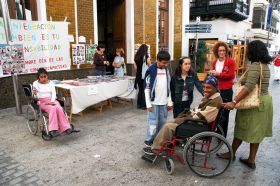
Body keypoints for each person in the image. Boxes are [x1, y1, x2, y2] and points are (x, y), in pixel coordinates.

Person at [218, 40, 273, 170]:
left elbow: (249, 87)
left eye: (249, 49)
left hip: (254, 103)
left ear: (253, 51)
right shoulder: (265, 65)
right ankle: (251, 159)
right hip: (264, 102)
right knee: (257, 132)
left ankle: (231, 154)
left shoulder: (255, 65)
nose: (247, 51)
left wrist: (234, 101)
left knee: (241, 127)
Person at [143, 76, 222, 154]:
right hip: (198, 122)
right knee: (169, 122)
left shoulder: (215, 102)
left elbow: (201, 116)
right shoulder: (211, 97)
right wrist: (189, 113)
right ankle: (164, 144)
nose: (205, 89)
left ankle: (156, 149)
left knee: (168, 126)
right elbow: (199, 110)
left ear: (215, 88)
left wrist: (187, 117)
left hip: (200, 126)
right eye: (204, 87)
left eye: (208, 87)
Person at [143, 50, 173, 147]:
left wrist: (169, 102)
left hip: (164, 103)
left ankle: (159, 140)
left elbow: (169, 87)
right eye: (164, 63)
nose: (166, 65)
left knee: (162, 123)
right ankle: (149, 141)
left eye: (168, 62)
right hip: (153, 103)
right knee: (152, 123)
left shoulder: (167, 70)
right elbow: (146, 88)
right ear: (158, 60)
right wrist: (148, 103)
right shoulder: (151, 70)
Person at [32, 68, 71, 137]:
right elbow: (36, 96)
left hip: (52, 99)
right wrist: (34, 93)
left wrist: (52, 101)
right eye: (41, 77)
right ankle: (53, 130)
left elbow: (53, 93)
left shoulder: (51, 83)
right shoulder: (35, 83)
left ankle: (66, 128)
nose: (43, 78)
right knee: (52, 109)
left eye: (45, 76)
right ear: (38, 77)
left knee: (59, 108)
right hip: (42, 101)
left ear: (47, 76)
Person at [209, 41, 235, 137]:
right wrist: (212, 73)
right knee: (216, 112)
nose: (222, 52)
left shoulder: (230, 61)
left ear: (226, 51)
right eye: (220, 50)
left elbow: (231, 75)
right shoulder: (215, 62)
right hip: (216, 90)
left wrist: (219, 74)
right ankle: (217, 131)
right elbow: (214, 76)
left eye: (223, 50)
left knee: (224, 114)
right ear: (217, 51)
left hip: (226, 90)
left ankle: (222, 135)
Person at [134, 44, 152, 109]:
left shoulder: (136, 56)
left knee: (140, 89)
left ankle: (139, 104)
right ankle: (143, 105)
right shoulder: (146, 56)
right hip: (144, 75)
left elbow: (135, 68)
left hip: (138, 75)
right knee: (145, 90)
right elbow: (150, 65)